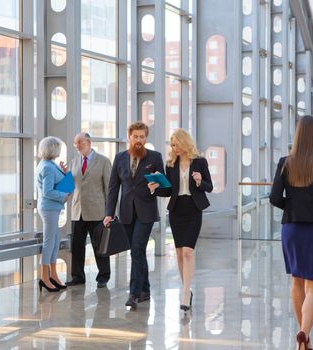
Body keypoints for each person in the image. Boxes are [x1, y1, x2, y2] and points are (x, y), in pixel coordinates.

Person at [269, 115, 313, 350]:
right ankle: (304, 333)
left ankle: (304, 338)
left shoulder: (285, 162)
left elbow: (274, 198)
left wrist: (293, 206)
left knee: (297, 282)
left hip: (291, 228)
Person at [148, 128, 213, 312]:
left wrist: (200, 181)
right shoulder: (171, 164)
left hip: (193, 209)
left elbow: (209, 187)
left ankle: (185, 292)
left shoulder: (200, 162)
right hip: (177, 210)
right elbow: (168, 191)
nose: (173, 147)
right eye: (172, 144)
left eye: (176, 144)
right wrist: (154, 188)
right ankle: (187, 289)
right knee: (178, 253)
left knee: (187, 252)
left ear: (184, 143)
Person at [103, 121, 165, 309]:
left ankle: (134, 294)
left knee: (137, 249)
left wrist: (156, 187)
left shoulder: (155, 157)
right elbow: (113, 188)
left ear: (146, 138)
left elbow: (164, 186)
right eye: (135, 137)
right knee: (137, 251)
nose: (139, 140)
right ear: (129, 137)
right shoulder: (120, 157)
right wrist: (109, 213)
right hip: (126, 213)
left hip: (146, 211)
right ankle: (145, 289)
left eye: (142, 137)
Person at [66, 132, 112, 289]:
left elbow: (109, 189)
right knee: (77, 246)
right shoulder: (73, 162)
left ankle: (103, 276)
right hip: (77, 211)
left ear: (89, 142)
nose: (77, 146)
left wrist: (110, 212)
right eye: (75, 143)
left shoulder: (104, 162)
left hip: (97, 211)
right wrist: (62, 173)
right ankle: (77, 276)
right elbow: (69, 187)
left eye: (80, 142)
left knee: (99, 246)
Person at [36, 136, 71, 293]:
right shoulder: (48, 167)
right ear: (54, 149)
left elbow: (56, 184)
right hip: (49, 209)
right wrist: (64, 197)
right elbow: (48, 191)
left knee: (55, 242)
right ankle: (44, 277)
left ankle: (53, 275)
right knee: (49, 242)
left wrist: (64, 174)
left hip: (52, 209)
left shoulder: (49, 164)